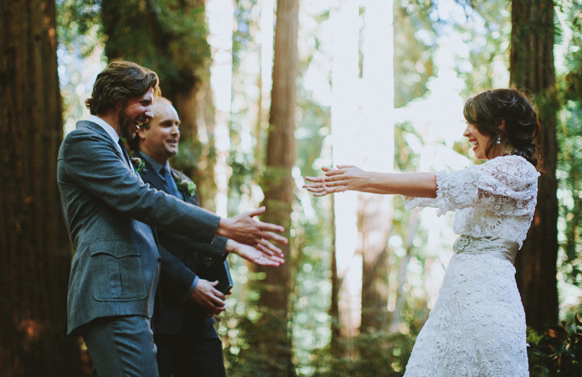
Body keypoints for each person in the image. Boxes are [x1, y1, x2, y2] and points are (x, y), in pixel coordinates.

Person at [57, 61, 286, 377]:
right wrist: (224, 223)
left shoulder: (117, 150)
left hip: (133, 302)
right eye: (146, 103)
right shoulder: (84, 142)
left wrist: (228, 242)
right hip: (112, 297)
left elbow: (156, 223)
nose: (148, 114)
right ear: (119, 98)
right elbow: (143, 200)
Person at [304, 88, 540, 376]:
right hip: (455, 299)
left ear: (500, 123)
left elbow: (442, 184)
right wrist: (355, 181)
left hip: (487, 301)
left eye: (473, 122)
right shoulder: (492, 174)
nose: (466, 132)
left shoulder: (518, 171)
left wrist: (364, 178)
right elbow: (430, 189)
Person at [130, 97, 255, 377]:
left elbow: (196, 237)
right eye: (166, 124)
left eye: (177, 124)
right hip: (158, 317)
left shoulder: (184, 183)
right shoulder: (131, 178)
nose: (176, 131)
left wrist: (217, 283)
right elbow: (145, 242)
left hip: (198, 320)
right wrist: (190, 284)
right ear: (141, 131)